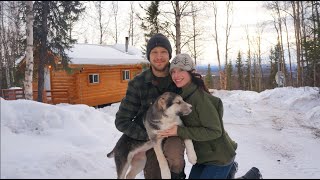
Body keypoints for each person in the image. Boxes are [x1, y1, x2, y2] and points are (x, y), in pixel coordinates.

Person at [114, 33, 187, 179]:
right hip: (150, 137)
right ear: (149, 56)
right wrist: (147, 135)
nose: (159, 56)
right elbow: (121, 121)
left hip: (173, 132)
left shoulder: (178, 80)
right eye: (154, 52)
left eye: (163, 52)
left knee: (175, 159)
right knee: (154, 174)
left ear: (169, 55)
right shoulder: (138, 84)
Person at [158, 53, 238, 179]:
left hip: (219, 158)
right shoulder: (180, 95)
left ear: (190, 72)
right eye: (173, 72)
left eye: (181, 70)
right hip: (203, 158)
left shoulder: (199, 98)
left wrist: (179, 131)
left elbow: (215, 131)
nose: (176, 75)